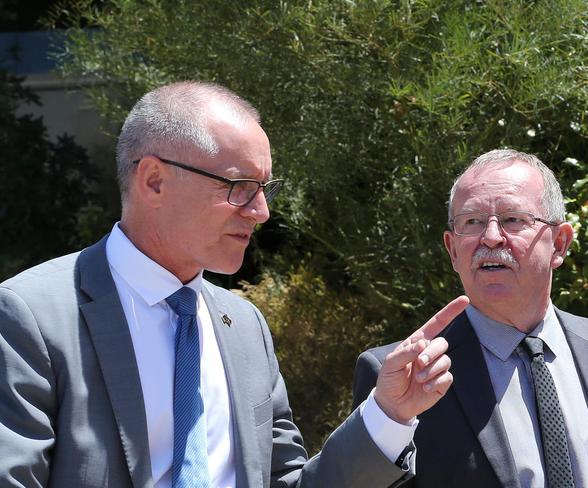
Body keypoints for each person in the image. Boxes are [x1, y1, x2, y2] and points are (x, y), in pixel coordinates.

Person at [0, 81, 468, 488]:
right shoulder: (33, 316)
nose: (261, 211)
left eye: (265, 188)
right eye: (240, 186)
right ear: (155, 181)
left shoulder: (243, 325)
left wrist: (387, 414)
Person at [353, 149, 588, 488]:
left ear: (559, 244)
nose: (491, 237)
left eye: (512, 219)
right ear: (452, 249)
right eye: (472, 222)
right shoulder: (401, 379)